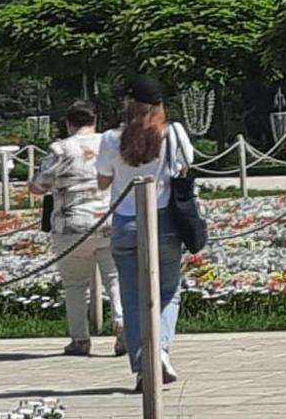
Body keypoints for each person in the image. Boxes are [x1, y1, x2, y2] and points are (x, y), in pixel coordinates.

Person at [96, 75, 193, 390]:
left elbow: (102, 181)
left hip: (124, 222)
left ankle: (142, 363)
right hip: (164, 221)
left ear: (128, 105)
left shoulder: (112, 139)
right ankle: (160, 351)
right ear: (160, 105)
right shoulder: (172, 132)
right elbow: (186, 166)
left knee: (133, 295)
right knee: (167, 291)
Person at [28, 101, 126, 358]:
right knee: (115, 278)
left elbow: (39, 185)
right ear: (95, 121)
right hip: (108, 220)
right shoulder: (109, 143)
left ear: (69, 123)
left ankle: (80, 339)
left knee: (74, 284)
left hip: (70, 225)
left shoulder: (60, 148)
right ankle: (122, 325)